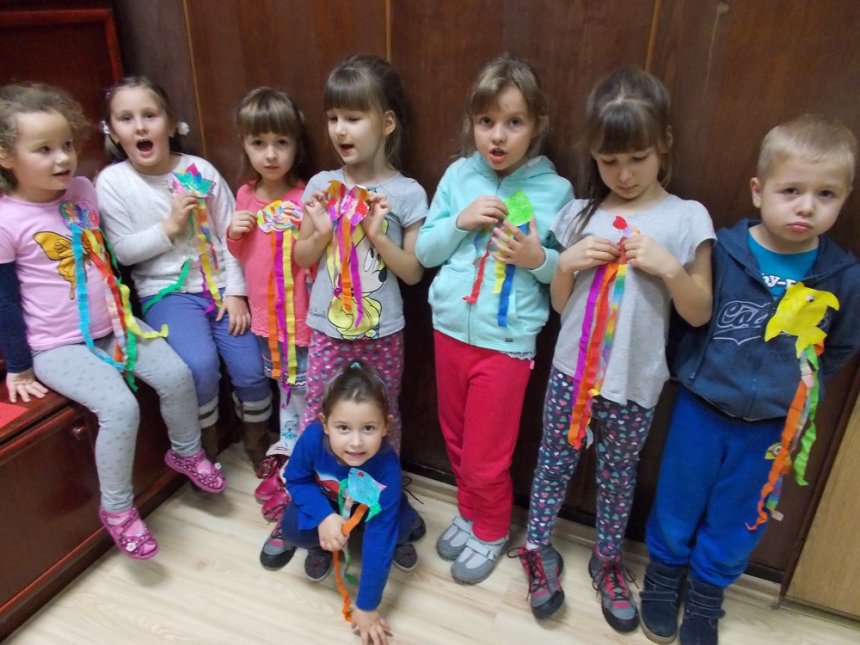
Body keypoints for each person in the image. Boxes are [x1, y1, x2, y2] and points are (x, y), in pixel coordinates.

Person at [641, 115, 860, 645]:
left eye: (826, 194)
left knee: (743, 512)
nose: (806, 207)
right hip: (702, 408)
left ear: (845, 199)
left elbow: (841, 347)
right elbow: (689, 318)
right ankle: (663, 577)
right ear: (759, 192)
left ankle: (708, 593)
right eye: (792, 191)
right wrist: (692, 372)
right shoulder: (723, 251)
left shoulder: (842, 276)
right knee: (678, 498)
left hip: (772, 425)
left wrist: (794, 389)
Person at [513, 68, 715, 632]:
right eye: (609, 161)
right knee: (552, 462)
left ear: (664, 145)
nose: (623, 175)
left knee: (619, 475)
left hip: (635, 381)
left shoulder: (687, 217)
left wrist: (669, 267)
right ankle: (537, 547)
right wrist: (566, 264)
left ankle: (607, 561)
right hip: (570, 374)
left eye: (638, 158)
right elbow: (561, 305)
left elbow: (699, 311)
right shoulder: (579, 214)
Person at [0, 82, 226, 560]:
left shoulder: (83, 190)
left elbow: (110, 260)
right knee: (120, 408)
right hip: (57, 346)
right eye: (44, 150)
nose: (63, 158)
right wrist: (18, 366)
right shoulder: (6, 220)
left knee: (177, 374)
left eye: (66, 145)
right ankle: (118, 510)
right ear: (5, 157)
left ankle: (186, 451)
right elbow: (5, 303)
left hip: (115, 326)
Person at [415, 53, 573, 585]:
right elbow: (426, 253)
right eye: (486, 121)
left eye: (514, 122)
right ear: (472, 123)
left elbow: (564, 276)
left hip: (506, 345)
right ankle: (469, 511)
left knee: (487, 454)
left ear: (537, 125)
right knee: (456, 438)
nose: (498, 136)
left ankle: (490, 527)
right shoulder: (459, 176)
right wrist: (460, 221)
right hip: (448, 331)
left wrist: (536, 258)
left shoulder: (555, 192)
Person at [96, 76, 273, 472]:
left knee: (252, 366)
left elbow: (232, 236)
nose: (140, 127)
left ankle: (257, 439)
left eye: (150, 115)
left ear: (172, 124)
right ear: (113, 132)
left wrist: (237, 293)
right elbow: (122, 252)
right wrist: (171, 227)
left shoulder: (200, 170)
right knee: (199, 366)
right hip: (166, 293)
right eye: (126, 118)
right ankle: (204, 448)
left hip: (223, 287)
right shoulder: (113, 182)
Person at [296, 54, 427, 456]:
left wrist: (378, 237)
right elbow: (301, 257)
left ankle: (381, 487)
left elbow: (413, 273)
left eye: (353, 118)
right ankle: (311, 482)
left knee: (382, 413)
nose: (340, 129)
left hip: (382, 333)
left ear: (386, 123)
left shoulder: (408, 193)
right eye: (333, 118)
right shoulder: (322, 185)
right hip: (327, 329)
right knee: (318, 408)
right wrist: (321, 233)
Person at [258, 361, 423, 645]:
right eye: (343, 428)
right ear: (324, 424)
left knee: (399, 528)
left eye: (368, 428)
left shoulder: (386, 466)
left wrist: (367, 605)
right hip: (330, 503)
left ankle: (403, 523)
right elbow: (296, 479)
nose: (356, 442)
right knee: (294, 528)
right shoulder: (312, 439)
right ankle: (322, 546)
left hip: (370, 511)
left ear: (386, 426)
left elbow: (380, 534)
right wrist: (323, 516)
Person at [226, 87, 311, 512]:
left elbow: (315, 259)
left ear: (296, 144)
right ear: (245, 144)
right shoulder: (245, 195)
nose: (271, 154)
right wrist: (234, 233)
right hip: (265, 319)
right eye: (259, 143)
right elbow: (242, 256)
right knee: (283, 384)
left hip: (302, 317)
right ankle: (289, 451)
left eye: (281, 142)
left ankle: (303, 457)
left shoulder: (306, 195)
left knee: (306, 386)